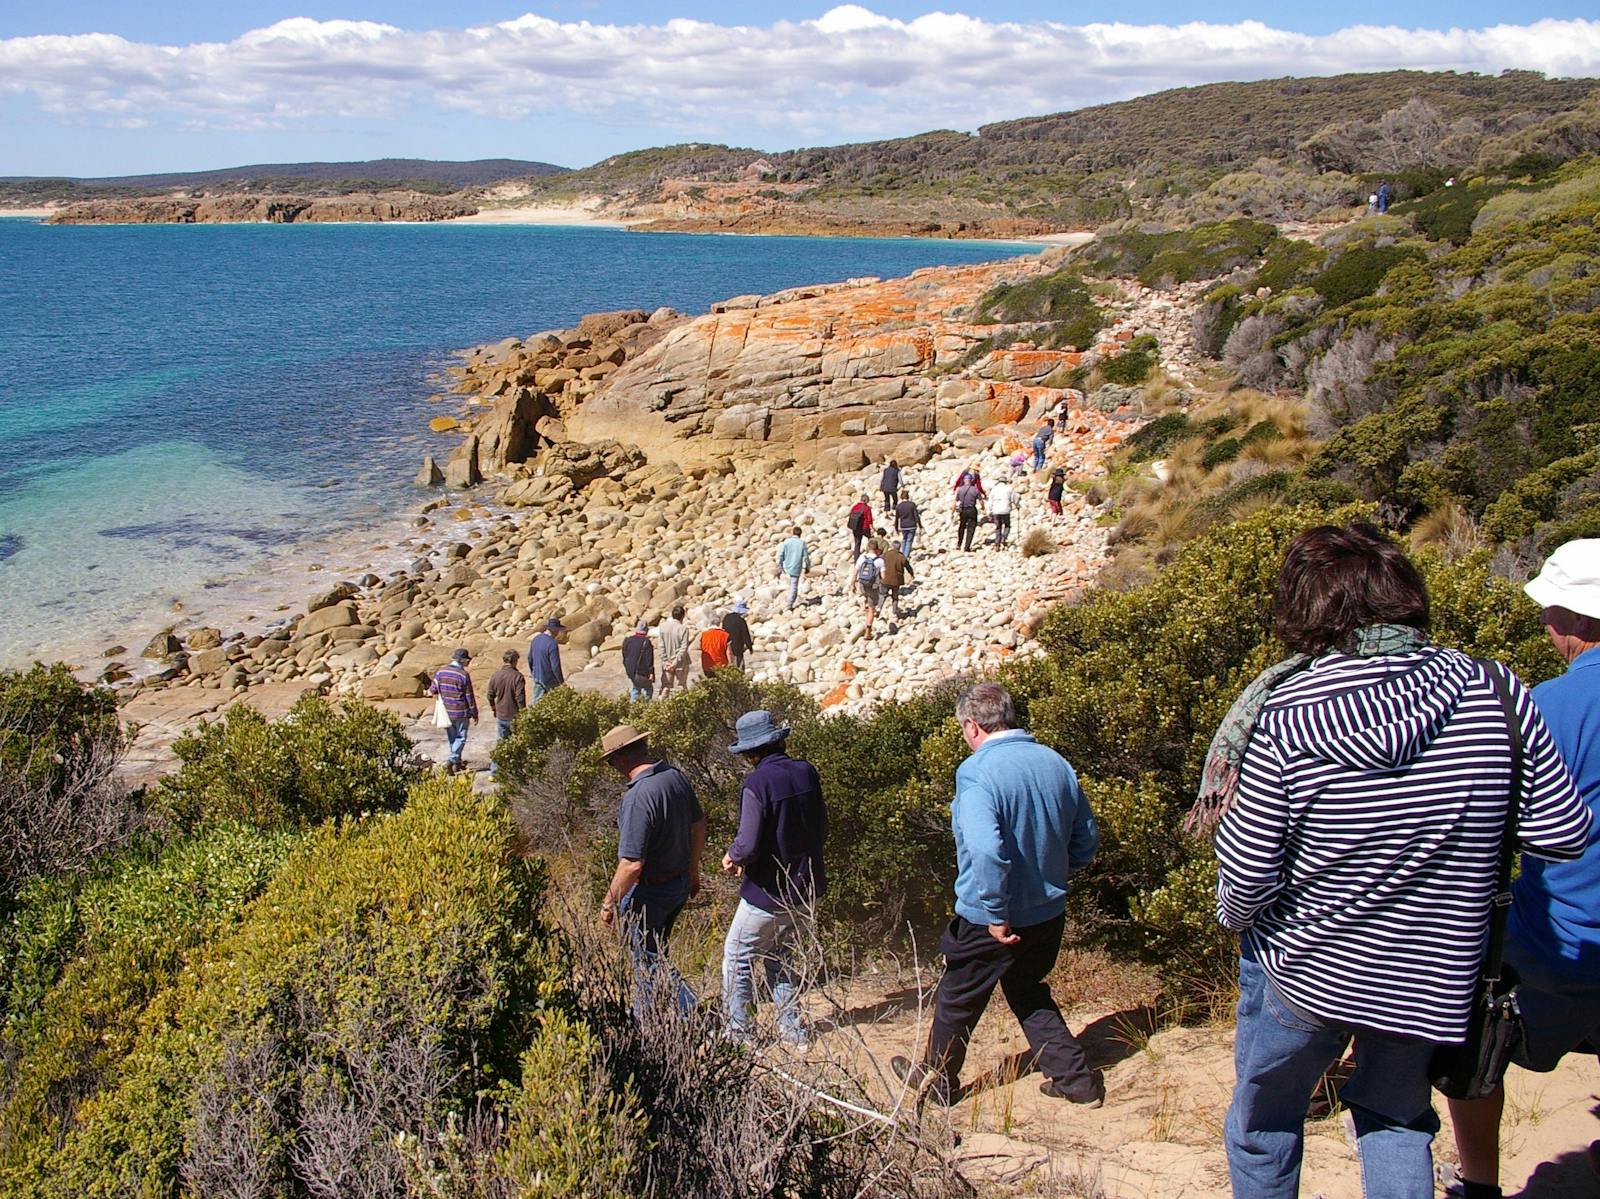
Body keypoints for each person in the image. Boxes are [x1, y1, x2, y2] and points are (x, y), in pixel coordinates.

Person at [1209, 523, 1591, 1199]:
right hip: (1434, 970)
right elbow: (1561, 832)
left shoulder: (1286, 709)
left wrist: (1239, 917)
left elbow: (1244, 882)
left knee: (1263, 1123)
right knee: (1395, 1119)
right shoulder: (1494, 691)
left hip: (1307, 969)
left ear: (1307, 610)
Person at [1448, 540, 1600, 1199]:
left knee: (1470, 1042)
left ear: (1573, 620)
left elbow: (1488, 822)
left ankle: (1479, 1181)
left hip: (1556, 936)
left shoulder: (1545, 707)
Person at [893, 682, 1103, 1107]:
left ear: (972, 726)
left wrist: (994, 911)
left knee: (957, 997)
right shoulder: (1054, 761)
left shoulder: (976, 772)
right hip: (1047, 910)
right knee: (1027, 988)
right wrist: (1054, 876)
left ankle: (939, 1082)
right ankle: (1076, 1082)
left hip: (993, 917)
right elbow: (1087, 838)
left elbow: (986, 849)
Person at [721, 710, 828, 1046]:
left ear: (750, 752)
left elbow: (749, 840)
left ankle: (740, 1035)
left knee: (737, 960)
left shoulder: (757, 783)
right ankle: (792, 1031)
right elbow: (821, 828)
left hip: (768, 892)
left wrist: (734, 856)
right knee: (781, 957)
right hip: (807, 887)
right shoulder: (806, 772)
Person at [600, 724, 706, 1013]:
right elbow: (698, 825)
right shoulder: (674, 777)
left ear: (621, 758)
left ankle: (683, 1014)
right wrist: (693, 871)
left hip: (652, 891)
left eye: (611, 761)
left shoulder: (638, 797)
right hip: (679, 883)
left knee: (647, 959)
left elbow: (632, 864)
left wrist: (609, 903)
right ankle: (652, 1017)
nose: (613, 768)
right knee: (655, 953)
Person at [429, 648, 478, 775]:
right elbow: (469, 696)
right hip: (461, 711)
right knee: (461, 737)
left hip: (446, 710)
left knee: (452, 737)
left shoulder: (441, 672)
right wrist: (474, 713)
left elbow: (433, 689)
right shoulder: (463, 675)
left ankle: (456, 763)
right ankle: (452, 760)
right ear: (462, 661)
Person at [485, 650, 525, 772]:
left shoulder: (496, 675)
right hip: (514, 715)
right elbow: (520, 698)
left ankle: (495, 771)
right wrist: (523, 713)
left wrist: (493, 708)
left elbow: (490, 695)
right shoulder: (517, 677)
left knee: (501, 742)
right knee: (517, 743)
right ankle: (515, 771)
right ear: (514, 661)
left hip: (501, 715)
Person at [657, 604, 691, 697]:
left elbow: (660, 646)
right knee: (681, 686)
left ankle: (661, 707)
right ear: (683, 616)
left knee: (665, 686)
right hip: (681, 663)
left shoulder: (663, 627)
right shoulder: (683, 629)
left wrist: (665, 661)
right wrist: (675, 663)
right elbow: (684, 648)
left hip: (667, 662)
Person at [527, 617, 565, 700]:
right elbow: (555, 666)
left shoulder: (535, 639)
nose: (559, 633)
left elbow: (530, 658)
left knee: (537, 701)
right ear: (555, 630)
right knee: (555, 702)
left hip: (537, 675)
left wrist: (533, 672)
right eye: (558, 630)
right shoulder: (552, 644)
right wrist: (561, 682)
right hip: (549, 679)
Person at [855, 542, 886, 637]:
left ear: (868, 548)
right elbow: (883, 577)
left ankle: (866, 605)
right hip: (873, 586)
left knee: (866, 597)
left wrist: (852, 584)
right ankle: (868, 631)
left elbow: (855, 571)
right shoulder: (880, 561)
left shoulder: (862, 558)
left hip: (862, 584)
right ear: (877, 549)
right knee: (872, 609)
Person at [777, 526, 812, 610]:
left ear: (793, 533)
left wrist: (780, 565)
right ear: (800, 534)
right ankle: (789, 604)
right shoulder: (801, 543)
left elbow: (780, 554)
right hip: (795, 567)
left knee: (789, 585)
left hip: (786, 566)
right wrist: (808, 567)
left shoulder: (786, 542)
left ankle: (790, 600)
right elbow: (806, 557)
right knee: (794, 585)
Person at [622, 620, 655, 702]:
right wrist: (651, 673)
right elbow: (649, 660)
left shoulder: (628, 640)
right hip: (641, 672)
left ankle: (633, 708)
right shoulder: (646, 642)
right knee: (648, 689)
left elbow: (624, 655)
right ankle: (647, 708)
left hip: (630, 671)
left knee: (636, 687)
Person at [881, 541, 914, 619]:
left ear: (892, 546)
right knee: (895, 597)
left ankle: (879, 609)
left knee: (882, 595)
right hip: (896, 581)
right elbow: (908, 566)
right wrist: (912, 574)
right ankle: (894, 610)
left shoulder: (886, 554)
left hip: (885, 578)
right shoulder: (901, 557)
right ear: (899, 548)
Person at [721, 599, 754, 671]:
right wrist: (750, 647)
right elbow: (745, 635)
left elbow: (723, 631)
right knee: (739, 666)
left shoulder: (726, 618)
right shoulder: (741, 621)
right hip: (738, 647)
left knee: (729, 665)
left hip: (727, 646)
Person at [955, 475, 983, 552]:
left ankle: (959, 543)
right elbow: (981, 501)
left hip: (963, 510)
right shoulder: (975, 490)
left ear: (964, 480)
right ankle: (967, 546)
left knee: (962, 526)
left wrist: (953, 510)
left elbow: (957, 500)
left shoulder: (960, 490)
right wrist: (983, 507)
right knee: (971, 528)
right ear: (971, 480)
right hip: (972, 509)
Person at [989, 476, 1016, 549]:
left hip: (996, 511)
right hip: (1006, 510)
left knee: (998, 527)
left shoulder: (994, 489)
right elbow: (1014, 498)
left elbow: (990, 501)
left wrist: (990, 510)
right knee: (1007, 525)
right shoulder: (1009, 488)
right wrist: (1017, 505)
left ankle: (997, 543)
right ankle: (1004, 537)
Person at [846, 495, 874, 561]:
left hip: (855, 527)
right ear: (866, 500)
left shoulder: (855, 507)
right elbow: (869, 519)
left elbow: (851, 515)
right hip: (865, 527)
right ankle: (870, 555)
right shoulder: (867, 508)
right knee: (871, 540)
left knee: (857, 543)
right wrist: (872, 528)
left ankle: (856, 560)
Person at [895, 493, 922, 558]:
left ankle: (903, 554)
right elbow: (916, 516)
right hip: (912, 525)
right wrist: (920, 525)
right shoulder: (912, 505)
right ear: (908, 496)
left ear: (901, 497)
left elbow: (896, 518)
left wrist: (896, 528)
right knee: (909, 541)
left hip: (903, 526)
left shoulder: (899, 506)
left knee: (904, 540)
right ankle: (905, 557)